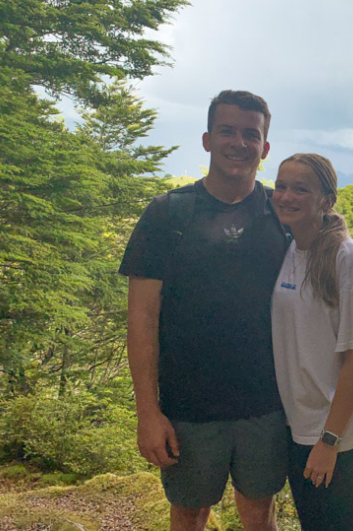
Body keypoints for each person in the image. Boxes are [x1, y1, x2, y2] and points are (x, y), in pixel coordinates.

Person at [119, 90, 289, 531]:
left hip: (268, 405)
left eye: (250, 134)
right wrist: (147, 413)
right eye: (226, 131)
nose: (239, 142)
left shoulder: (282, 217)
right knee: (190, 514)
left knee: (259, 513)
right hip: (188, 410)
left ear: (265, 148)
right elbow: (141, 320)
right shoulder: (167, 215)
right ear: (207, 139)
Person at [271, 153, 353, 530]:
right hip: (296, 425)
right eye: (281, 186)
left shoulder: (347, 257)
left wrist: (329, 441)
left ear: (327, 201)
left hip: (339, 434)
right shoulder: (286, 249)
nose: (286, 196)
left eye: (300, 189)